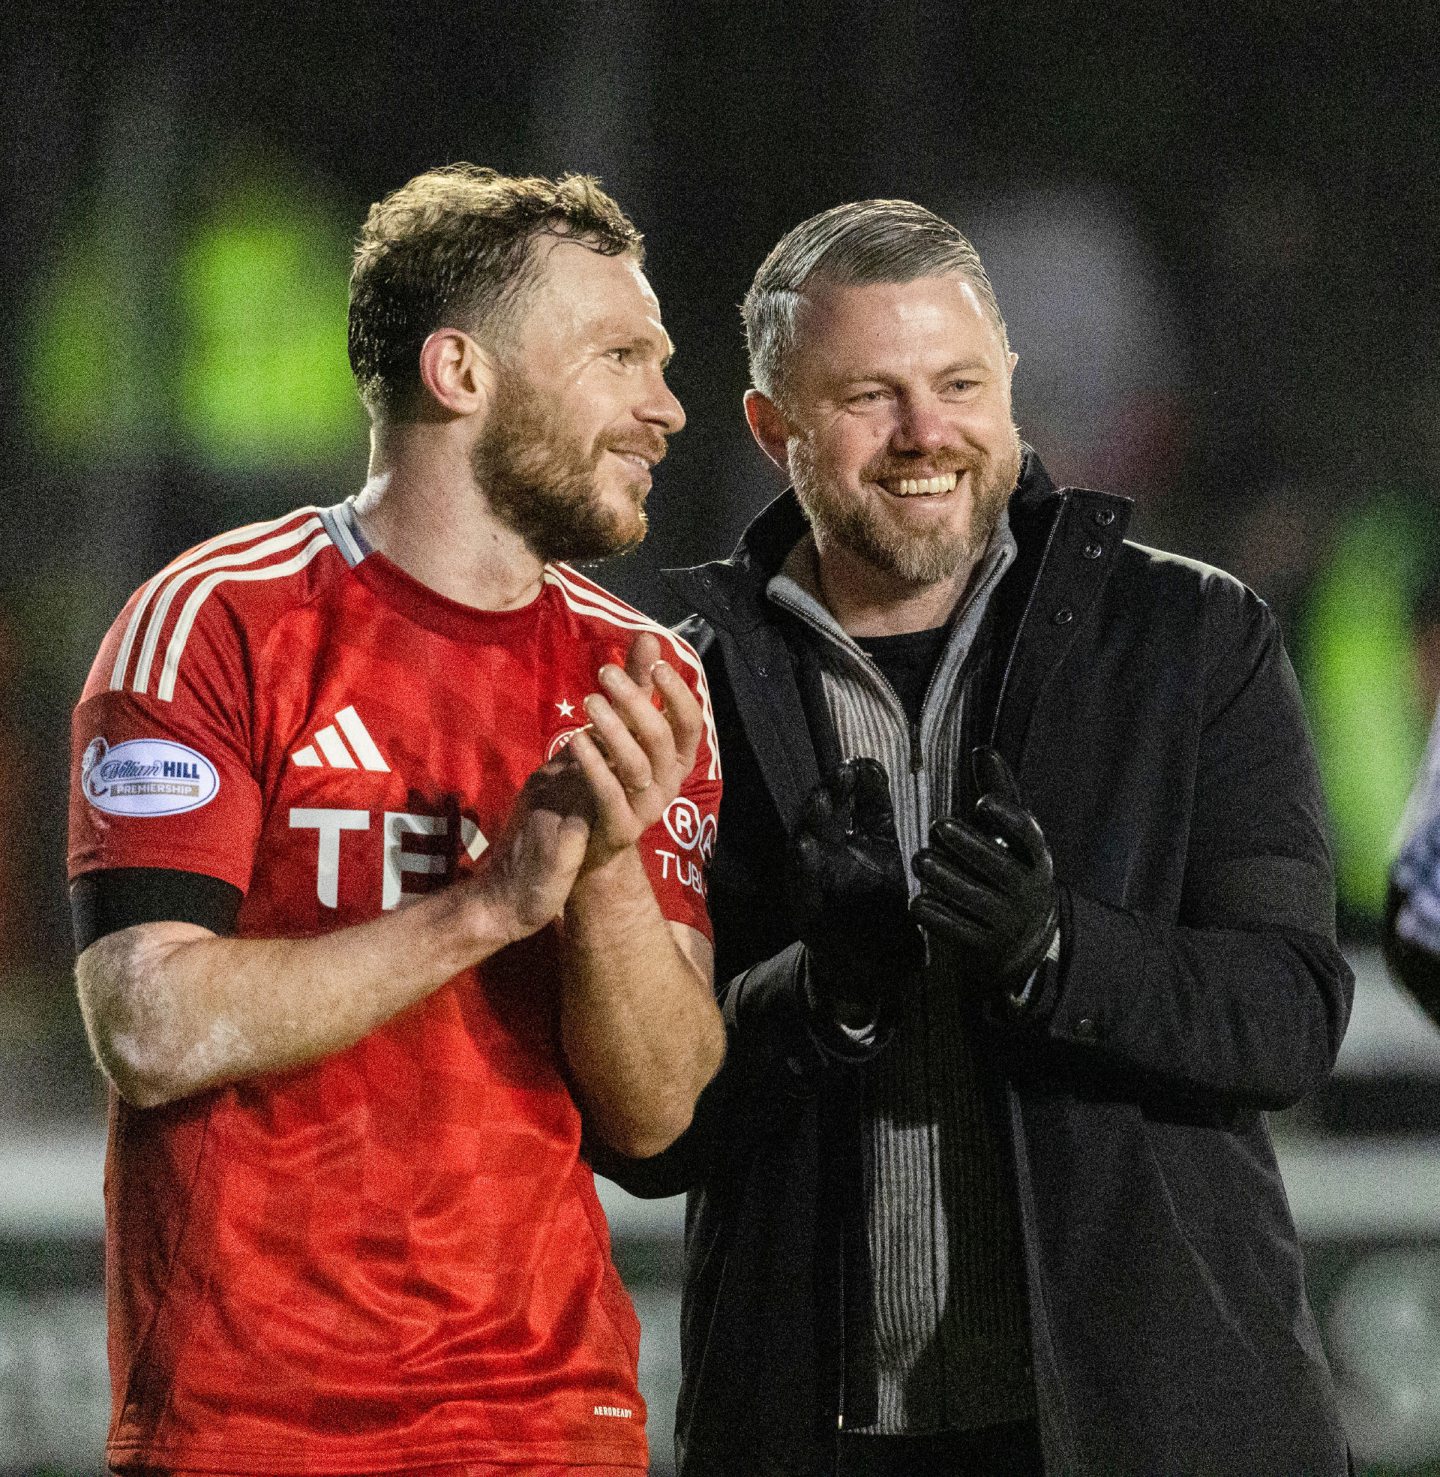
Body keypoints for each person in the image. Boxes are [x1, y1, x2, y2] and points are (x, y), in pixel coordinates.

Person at [598, 200, 1354, 1475]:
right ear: (771, 428)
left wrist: (1055, 953)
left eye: (958, 383)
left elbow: (1289, 1014)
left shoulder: (1195, 638)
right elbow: (652, 1135)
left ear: (1009, 387)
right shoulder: (679, 695)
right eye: (868, 396)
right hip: (811, 1439)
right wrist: (818, 994)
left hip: (1164, 1434)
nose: (925, 434)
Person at [67, 165, 724, 1477]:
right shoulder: (216, 623)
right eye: (618, 357)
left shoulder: (650, 682)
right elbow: (147, 1023)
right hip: (254, 1428)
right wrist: (487, 906)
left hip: (552, 1425)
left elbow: (657, 1114)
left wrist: (595, 875)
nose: (667, 406)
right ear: (460, 372)